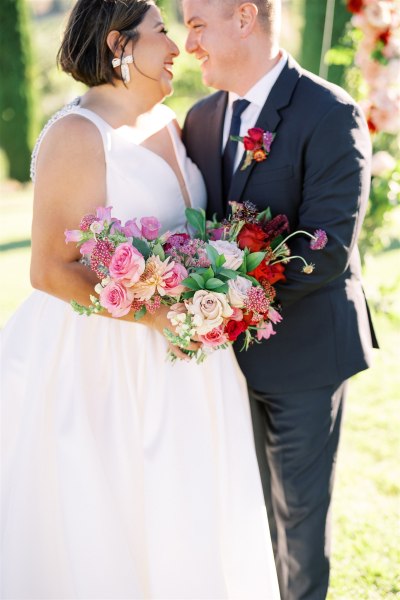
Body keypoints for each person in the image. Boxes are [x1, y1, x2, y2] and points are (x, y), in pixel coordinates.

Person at [0, 1, 281, 598]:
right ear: (117, 43)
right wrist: (154, 312)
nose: (178, 47)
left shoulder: (169, 125)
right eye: (161, 34)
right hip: (106, 362)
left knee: (188, 508)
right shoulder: (78, 134)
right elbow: (50, 269)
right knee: (117, 510)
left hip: (186, 361)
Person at [182, 1, 378, 599]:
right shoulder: (199, 119)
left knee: (298, 522)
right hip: (225, 364)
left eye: (196, 25)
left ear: (244, 18)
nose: (189, 45)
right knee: (245, 517)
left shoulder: (328, 112)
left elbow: (326, 247)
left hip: (306, 357)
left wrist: (221, 297)